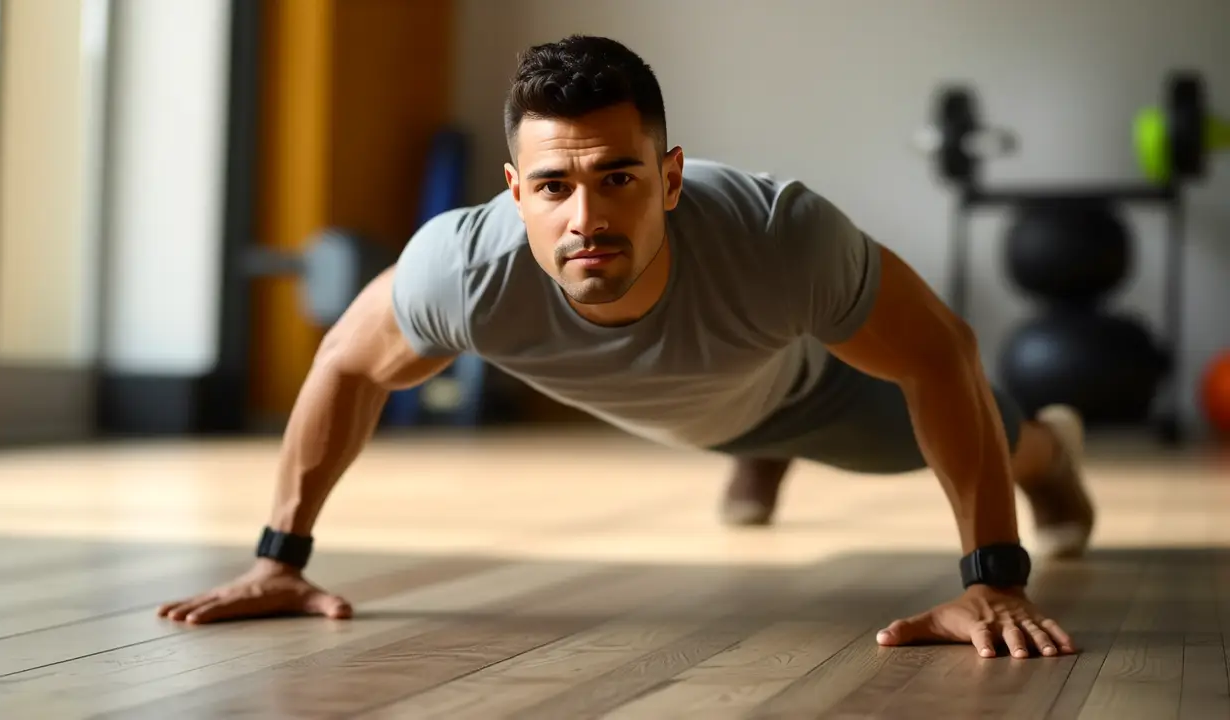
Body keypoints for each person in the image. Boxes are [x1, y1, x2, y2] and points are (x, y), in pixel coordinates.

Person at [158, 35, 1095, 660]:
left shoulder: (781, 238)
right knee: (726, 403)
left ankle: (1054, 453)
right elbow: (349, 364)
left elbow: (945, 352)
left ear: (671, 177)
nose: (588, 217)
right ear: (516, 191)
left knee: (982, 434)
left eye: (618, 177)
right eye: (556, 186)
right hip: (697, 399)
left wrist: (995, 578)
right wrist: (280, 556)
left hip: (810, 391)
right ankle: (757, 455)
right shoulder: (460, 268)